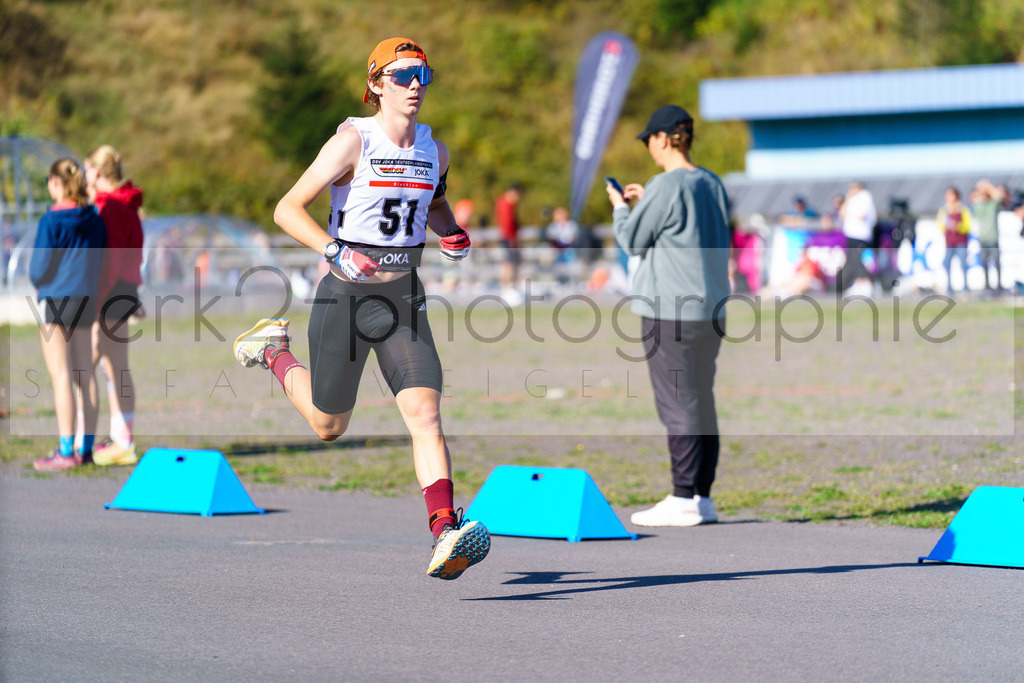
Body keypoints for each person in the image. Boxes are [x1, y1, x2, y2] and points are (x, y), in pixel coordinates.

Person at [232, 37, 488, 580]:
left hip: (403, 297)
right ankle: (274, 352)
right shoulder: (354, 140)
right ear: (375, 85)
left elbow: (434, 201)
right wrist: (335, 250)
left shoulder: (434, 150)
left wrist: (451, 232)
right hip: (345, 296)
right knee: (329, 425)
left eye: (424, 74)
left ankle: (445, 530)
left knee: (425, 412)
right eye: (402, 76)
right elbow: (286, 208)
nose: (415, 85)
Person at [606, 104, 731, 527]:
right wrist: (647, 203)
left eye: (649, 141)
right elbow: (685, 227)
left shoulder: (664, 184)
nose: (649, 149)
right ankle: (702, 497)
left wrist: (622, 208)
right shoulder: (711, 182)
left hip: (670, 310)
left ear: (662, 138)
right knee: (701, 400)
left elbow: (633, 241)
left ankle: (681, 497)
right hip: (711, 308)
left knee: (677, 402)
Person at [29, 158, 106, 471]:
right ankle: (85, 448)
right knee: (85, 375)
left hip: (57, 300)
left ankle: (65, 451)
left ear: (56, 183)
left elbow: (38, 269)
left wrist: (44, 281)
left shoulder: (51, 221)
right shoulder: (94, 218)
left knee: (61, 377)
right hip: (86, 300)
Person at [84, 145, 145, 466]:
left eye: (85, 170)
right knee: (112, 367)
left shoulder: (111, 207)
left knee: (90, 365)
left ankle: (84, 443)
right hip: (123, 290)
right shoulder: (128, 204)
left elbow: (110, 258)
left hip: (110, 293)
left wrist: (99, 299)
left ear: (95, 172)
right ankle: (119, 440)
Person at [839, 181, 876, 296]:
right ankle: (857, 283)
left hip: (861, 235)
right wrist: (847, 200)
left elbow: (861, 215)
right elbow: (842, 214)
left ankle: (865, 283)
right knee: (853, 260)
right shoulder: (851, 199)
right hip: (851, 235)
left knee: (860, 260)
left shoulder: (865, 197)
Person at [971, 180, 1005, 293]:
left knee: (996, 262)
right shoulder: (978, 206)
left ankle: (999, 285)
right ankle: (987, 286)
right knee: (984, 262)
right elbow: (974, 196)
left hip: (993, 239)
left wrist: (988, 186)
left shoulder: (993, 205)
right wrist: (981, 187)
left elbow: (999, 195)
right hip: (983, 239)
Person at [938, 186, 972, 294]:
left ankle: (965, 288)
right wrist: (947, 226)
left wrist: (958, 227)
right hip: (949, 242)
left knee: (963, 264)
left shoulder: (962, 209)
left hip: (961, 241)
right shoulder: (944, 210)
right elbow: (940, 224)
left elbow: (968, 225)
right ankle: (949, 288)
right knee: (947, 264)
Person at [494, 183, 523, 300]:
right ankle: (508, 288)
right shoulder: (506, 204)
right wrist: (512, 239)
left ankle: (506, 288)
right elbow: (507, 223)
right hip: (509, 237)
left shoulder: (502, 202)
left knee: (508, 262)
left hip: (507, 237)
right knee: (510, 263)